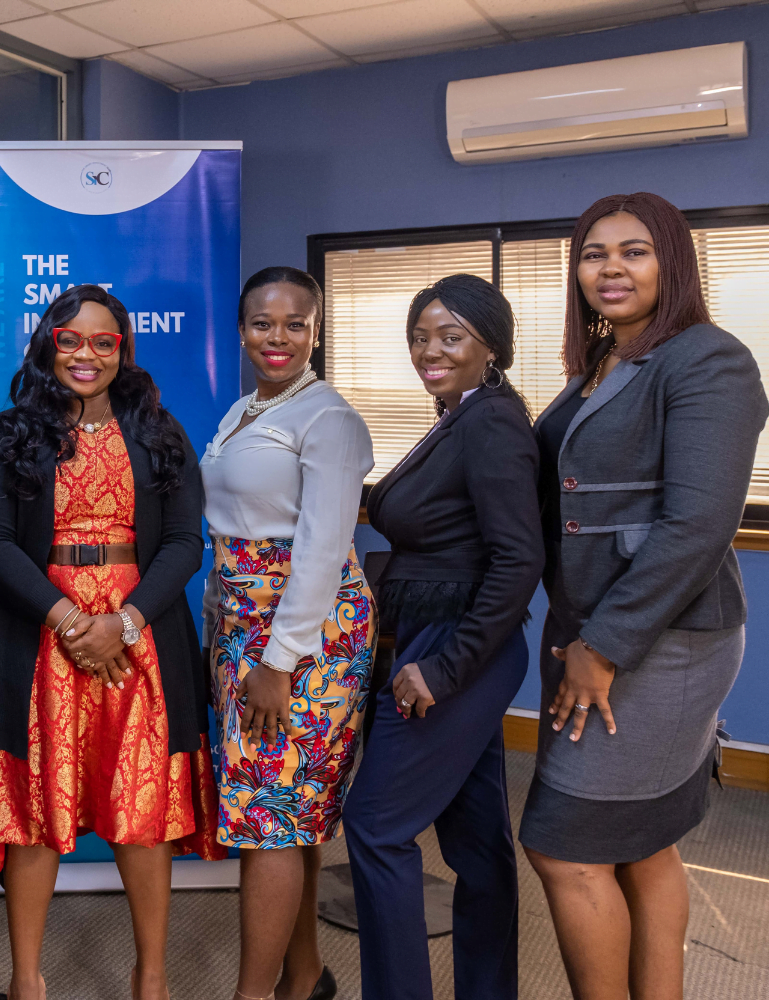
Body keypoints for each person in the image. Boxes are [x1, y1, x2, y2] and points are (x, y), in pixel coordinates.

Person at [519, 193, 767, 1000]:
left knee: (565, 846)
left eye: (634, 251)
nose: (611, 268)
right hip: (599, 628)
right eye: (595, 254)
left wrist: (603, 647)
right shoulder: (603, 363)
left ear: (673, 262)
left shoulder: (708, 358)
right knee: (647, 844)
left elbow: (697, 524)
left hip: (660, 640)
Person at [0, 284, 223, 1000]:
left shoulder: (159, 432)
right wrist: (69, 620)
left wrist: (124, 622)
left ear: (124, 350)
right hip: (40, 636)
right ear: (49, 344)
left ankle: (152, 976)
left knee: (139, 807)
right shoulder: (9, 433)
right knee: (35, 810)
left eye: (103, 341)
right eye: (71, 340)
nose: (87, 354)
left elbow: (183, 543)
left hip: (139, 639)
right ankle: (27, 980)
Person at [342, 273, 542, 1000]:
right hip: (441, 638)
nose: (430, 349)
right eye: (421, 336)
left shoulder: (489, 420)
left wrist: (444, 668)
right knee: (477, 838)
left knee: (375, 825)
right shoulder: (458, 415)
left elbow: (519, 557)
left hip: (455, 649)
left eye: (450, 336)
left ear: (492, 346)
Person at [200, 267, 374, 1000]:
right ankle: (302, 977)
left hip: (302, 636)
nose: (279, 337)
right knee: (287, 810)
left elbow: (323, 553)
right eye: (263, 324)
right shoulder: (245, 409)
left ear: (316, 329)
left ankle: (254, 995)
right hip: (242, 628)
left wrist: (278, 660)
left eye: (295, 323)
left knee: (272, 815)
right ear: (242, 331)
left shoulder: (328, 419)